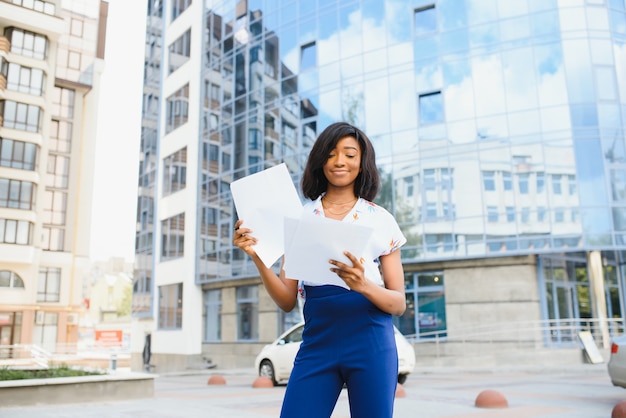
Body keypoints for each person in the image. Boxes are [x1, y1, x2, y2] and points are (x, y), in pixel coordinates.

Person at [233, 122, 407, 418]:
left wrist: (363, 285)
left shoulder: (380, 219)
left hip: (371, 342)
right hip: (318, 342)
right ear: (319, 162)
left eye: (350, 154)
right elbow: (287, 300)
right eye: (331, 154)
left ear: (362, 164)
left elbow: (399, 303)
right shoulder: (299, 218)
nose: (340, 161)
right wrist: (258, 256)